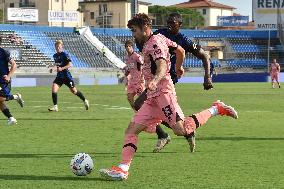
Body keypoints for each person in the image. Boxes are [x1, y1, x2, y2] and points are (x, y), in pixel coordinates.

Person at [99, 13, 238, 181]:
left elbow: (162, 65)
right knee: (131, 130)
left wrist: (156, 79)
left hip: (164, 93)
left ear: (145, 28)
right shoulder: (156, 38)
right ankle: (122, 169)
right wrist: (179, 67)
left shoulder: (155, 42)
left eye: (134, 30)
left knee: (182, 130)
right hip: (152, 97)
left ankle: (217, 108)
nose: (133, 34)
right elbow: (179, 50)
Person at [134, 13, 213, 153]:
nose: (169, 24)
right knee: (138, 104)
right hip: (156, 79)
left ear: (180, 25)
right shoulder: (160, 34)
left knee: (140, 104)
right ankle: (165, 134)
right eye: (168, 22)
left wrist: (207, 77)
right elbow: (146, 44)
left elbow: (204, 56)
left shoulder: (185, 40)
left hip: (165, 80)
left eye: (173, 22)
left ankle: (171, 134)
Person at [48, 40, 89, 112]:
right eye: (57, 47)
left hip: (67, 76)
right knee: (54, 88)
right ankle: (55, 107)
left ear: (61, 47)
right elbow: (58, 65)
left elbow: (70, 64)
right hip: (59, 77)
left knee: (74, 91)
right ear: (55, 47)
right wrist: (53, 69)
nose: (58, 48)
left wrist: (62, 68)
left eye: (59, 47)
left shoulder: (65, 54)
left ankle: (85, 100)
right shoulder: (54, 56)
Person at [0, 37, 24, 125]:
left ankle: (16, 97)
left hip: (4, 81)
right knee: (0, 102)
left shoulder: (3, 52)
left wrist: (9, 76)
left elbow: (14, 64)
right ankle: (11, 118)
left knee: (0, 99)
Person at [123, 40, 145, 111]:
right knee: (129, 97)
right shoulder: (126, 58)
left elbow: (144, 65)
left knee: (142, 99)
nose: (128, 48)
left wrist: (142, 77)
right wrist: (126, 73)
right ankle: (137, 112)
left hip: (139, 81)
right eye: (126, 46)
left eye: (129, 46)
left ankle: (149, 113)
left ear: (132, 47)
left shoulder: (136, 56)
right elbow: (129, 68)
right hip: (132, 81)